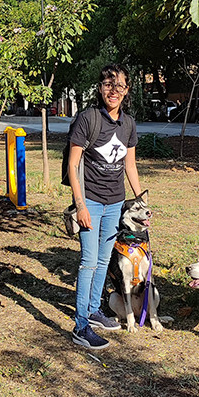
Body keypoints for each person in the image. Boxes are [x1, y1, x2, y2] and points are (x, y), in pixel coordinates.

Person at [68, 64, 143, 349]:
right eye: (108, 85)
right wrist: (80, 206)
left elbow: (130, 164)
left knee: (102, 261)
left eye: (120, 86)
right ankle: (81, 326)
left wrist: (141, 201)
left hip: (115, 203)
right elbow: (73, 165)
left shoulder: (128, 124)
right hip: (89, 201)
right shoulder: (88, 119)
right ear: (100, 88)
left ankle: (93, 309)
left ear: (127, 90)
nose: (114, 91)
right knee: (88, 262)